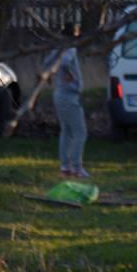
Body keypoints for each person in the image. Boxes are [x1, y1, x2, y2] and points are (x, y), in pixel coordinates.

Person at [44, 23, 89, 178]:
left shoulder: (57, 50)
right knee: (80, 132)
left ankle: (65, 166)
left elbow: (46, 63)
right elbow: (63, 63)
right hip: (69, 96)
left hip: (60, 94)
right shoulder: (69, 50)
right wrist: (67, 71)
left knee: (67, 131)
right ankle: (77, 168)